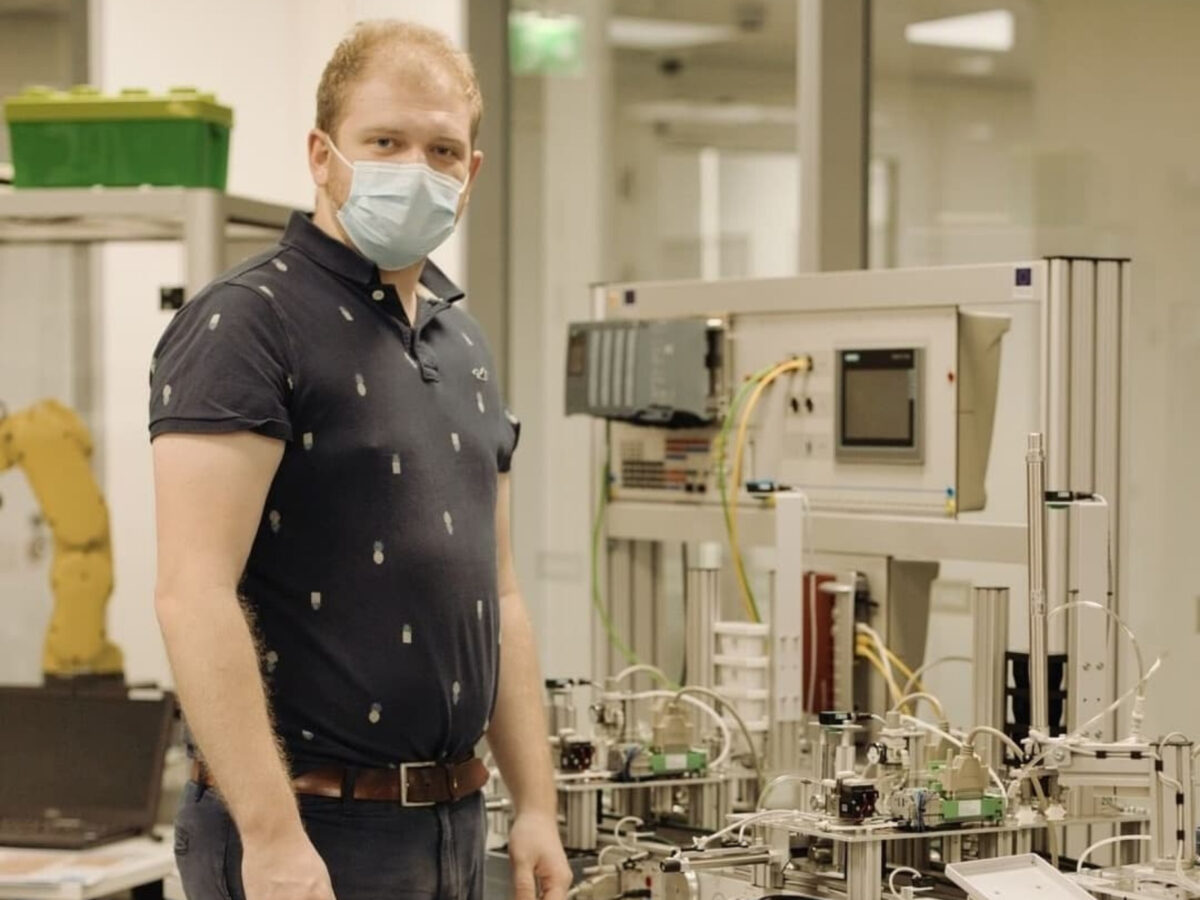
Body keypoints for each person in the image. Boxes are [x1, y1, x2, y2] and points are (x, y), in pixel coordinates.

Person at [149, 20, 571, 900]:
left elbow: (499, 591)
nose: (415, 168)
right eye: (385, 141)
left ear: (471, 173)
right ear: (321, 153)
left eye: (442, 149)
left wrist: (535, 802)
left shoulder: (465, 344)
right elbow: (194, 592)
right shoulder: (246, 322)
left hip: (455, 821)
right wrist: (270, 836)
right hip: (310, 833)